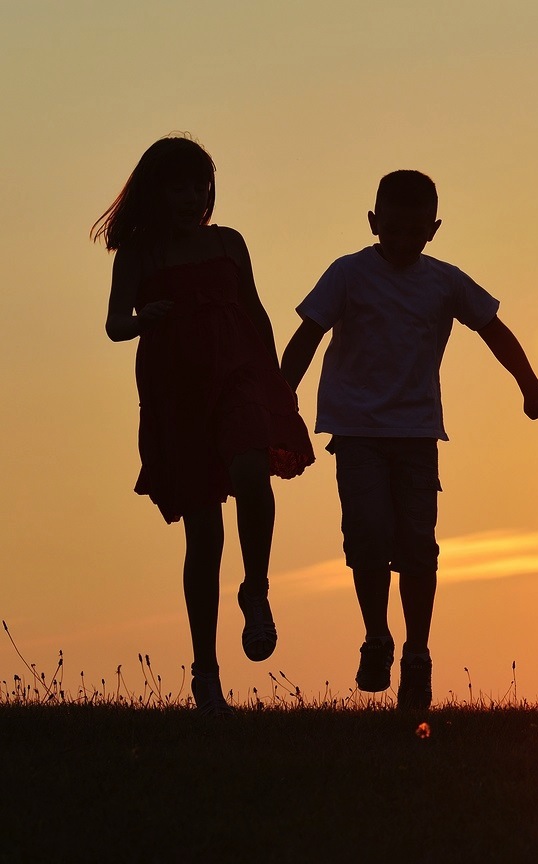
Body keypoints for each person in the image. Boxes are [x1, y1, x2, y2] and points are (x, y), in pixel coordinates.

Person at [280, 170, 538, 711]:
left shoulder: (444, 281)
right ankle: (376, 636)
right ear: (373, 222)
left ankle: (418, 653)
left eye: (415, 232)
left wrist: (531, 387)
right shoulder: (348, 274)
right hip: (357, 431)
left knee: (418, 546)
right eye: (393, 231)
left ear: (433, 229)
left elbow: (493, 328)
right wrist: (277, 402)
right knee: (366, 534)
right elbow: (307, 336)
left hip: (416, 433)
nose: (404, 242)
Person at [96, 135, 314, 716]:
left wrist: (276, 385)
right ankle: (206, 673)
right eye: (179, 186)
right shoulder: (139, 255)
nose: (192, 197)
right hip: (177, 390)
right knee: (204, 535)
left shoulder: (229, 244)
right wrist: (144, 319)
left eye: (200, 186)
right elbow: (115, 325)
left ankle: (257, 591)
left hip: (240, 374)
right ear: (155, 192)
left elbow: (257, 311)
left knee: (251, 473)